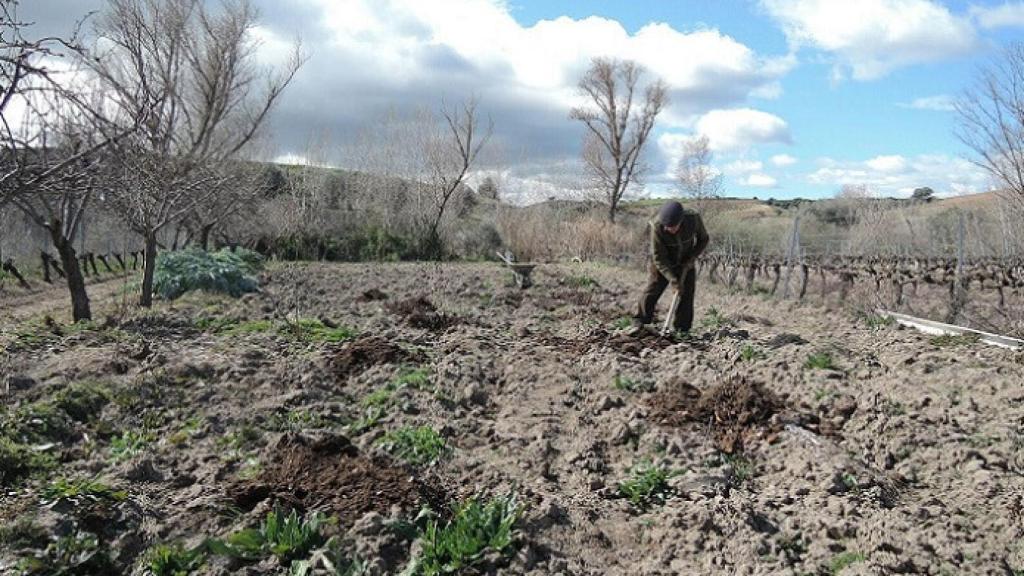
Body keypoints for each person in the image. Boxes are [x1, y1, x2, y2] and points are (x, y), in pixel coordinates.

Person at [634, 200, 709, 333]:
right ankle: (641, 322)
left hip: (686, 261)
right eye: (666, 227)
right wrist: (673, 280)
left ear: (681, 221)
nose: (668, 229)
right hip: (664, 261)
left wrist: (691, 258)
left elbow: (704, 239)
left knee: (686, 294)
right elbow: (658, 257)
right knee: (653, 288)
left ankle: (682, 329)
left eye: (672, 226)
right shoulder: (657, 227)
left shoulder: (693, 219)